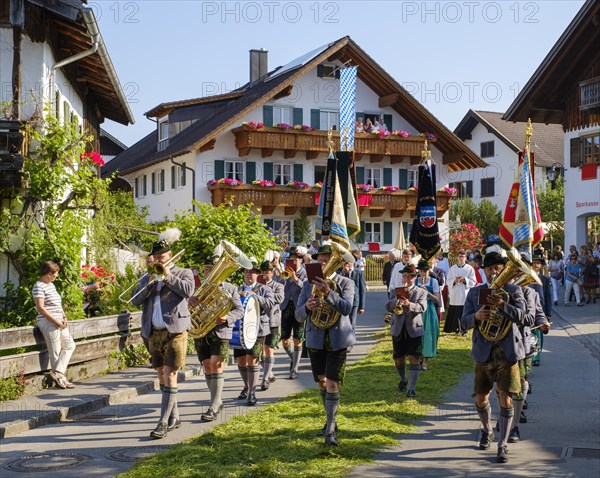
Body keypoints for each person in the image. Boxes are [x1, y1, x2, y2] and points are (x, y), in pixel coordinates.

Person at [460, 248, 530, 464]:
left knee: (506, 398)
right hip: (483, 352)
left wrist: (503, 305)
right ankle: (486, 429)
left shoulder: (514, 291)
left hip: (507, 353)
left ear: (503, 270)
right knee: (481, 398)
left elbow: (525, 318)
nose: (493, 272)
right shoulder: (474, 293)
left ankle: (503, 444)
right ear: (484, 271)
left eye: (497, 269)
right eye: (490, 269)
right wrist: (476, 316)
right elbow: (462, 323)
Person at [131, 234, 195, 439]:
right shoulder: (147, 276)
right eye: (156, 256)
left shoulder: (183, 272)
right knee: (161, 375)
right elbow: (135, 301)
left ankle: (162, 422)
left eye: (162, 255)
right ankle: (174, 416)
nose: (159, 259)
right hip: (153, 332)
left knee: (170, 374)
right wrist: (149, 283)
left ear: (170, 255)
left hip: (175, 330)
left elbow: (187, 290)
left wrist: (167, 275)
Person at [296, 242, 355, 447]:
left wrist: (329, 292)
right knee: (321, 381)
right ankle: (331, 419)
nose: (323, 260)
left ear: (335, 261)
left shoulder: (346, 283)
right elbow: (298, 315)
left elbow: (347, 308)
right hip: (315, 338)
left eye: (327, 257)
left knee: (332, 383)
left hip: (338, 338)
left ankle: (330, 430)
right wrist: (307, 306)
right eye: (320, 257)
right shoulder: (306, 285)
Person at [191, 254, 244, 422]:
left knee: (217, 363)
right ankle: (217, 400)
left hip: (220, 330)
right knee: (207, 366)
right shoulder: (196, 288)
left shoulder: (230, 288)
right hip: (202, 331)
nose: (208, 272)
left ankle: (213, 405)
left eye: (211, 270)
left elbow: (239, 310)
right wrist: (189, 302)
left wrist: (227, 318)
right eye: (206, 269)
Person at [234, 260, 275, 406]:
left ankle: (252, 392)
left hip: (258, 329)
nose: (249, 274)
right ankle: (246, 385)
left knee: (252, 359)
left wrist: (255, 296)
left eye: (252, 272)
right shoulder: (237, 289)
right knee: (241, 360)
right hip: (239, 328)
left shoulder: (264, 289)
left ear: (258, 274)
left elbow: (271, 303)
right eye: (246, 272)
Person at [32, 261, 76, 390]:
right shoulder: (39, 286)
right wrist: (55, 321)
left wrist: (64, 317)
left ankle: (57, 373)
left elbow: (58, 304)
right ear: (49, 274)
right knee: (55, 351)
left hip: (59, 320)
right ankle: (61, 379)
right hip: (48, 322)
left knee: (70, 345)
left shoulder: (51, 285)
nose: (56, 276)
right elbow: (41, 308)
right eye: (55, 274)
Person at [385, 263, 427, 398]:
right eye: (404, 276)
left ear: (414, 278)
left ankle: (412, 388)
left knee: (414, 358)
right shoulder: (395, 291)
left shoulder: (421, 292)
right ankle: (403, 379)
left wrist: (409, 304)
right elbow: (388, 306)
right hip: (398, 328)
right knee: (398, 359)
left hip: (414, 329)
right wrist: (395, 301)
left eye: (409, 277)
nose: (407, 279)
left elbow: (422, 308)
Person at [280, 245, 308, 379]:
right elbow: (278, 285)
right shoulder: (285, 272)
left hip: (299, 307)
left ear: (301, 261)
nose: (294, 261)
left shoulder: (305, 273)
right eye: (291, 259)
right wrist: (281, 274)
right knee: (285, 340)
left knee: (298, 338)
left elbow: (307, 288)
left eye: (297, 259)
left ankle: (295, 369)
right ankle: (294, 359)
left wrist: (296, 279)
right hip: (286, 307)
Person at [259, 260, 285, 390]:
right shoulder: (256, 286)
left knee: (268, 348)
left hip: (272, 320)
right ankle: (270, 373)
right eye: (263, 272)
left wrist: (266, 292)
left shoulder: (277, 285)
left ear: (272, 272)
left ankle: (265, 379)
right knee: (257, 352)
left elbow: (279, 298)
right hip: (258, 321)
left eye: (268, 272)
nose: (266, 274)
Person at [529, 250, 552, 367]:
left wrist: (548, 313)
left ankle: (536, 357)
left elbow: (548, 297)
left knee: (538, 333)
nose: (536, 265)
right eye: (534, 262)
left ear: (541, 265)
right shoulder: (526, 277)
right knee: (529, 333)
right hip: (528, 309)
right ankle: (529, 355)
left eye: (538, 263)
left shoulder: (545, 279)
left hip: (540, 310)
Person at [416, 260, 440, 371]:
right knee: (417, 335)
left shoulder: (433, 282)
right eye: (421, 271)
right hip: (417, 310)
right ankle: (418, 358)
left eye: (425, 271)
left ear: (428, 271)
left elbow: (437, 300)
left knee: (428, 335)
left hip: (429, 310)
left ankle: (425, 361)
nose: (423, 273)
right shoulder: (415, 281)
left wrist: (427, 292)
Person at [444, 251, 476, 334]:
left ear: (465, 258)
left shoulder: (469, 268)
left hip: (464, 294)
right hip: (455, 295)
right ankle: (455, 328)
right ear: (457, 258)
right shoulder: (452, 268)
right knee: (455, 314)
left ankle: (464, 329)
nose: (461, 258)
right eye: (459, 256)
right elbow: (448, 281)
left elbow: (473, 281)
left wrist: (464, 280)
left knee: (464, 313)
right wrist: (454, 280)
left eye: (462, 256)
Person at [340, 260, 366, 329]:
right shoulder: (340, 271)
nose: (347, 264)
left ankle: (351, 338)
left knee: (352, 321)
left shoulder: (358, 273)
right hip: (342, 300)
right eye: (346, 262)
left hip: (354, 301)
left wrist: (362, 307)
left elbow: (362, 289)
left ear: (353, 263)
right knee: (341, 322)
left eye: (349, 262)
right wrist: (343, 272)